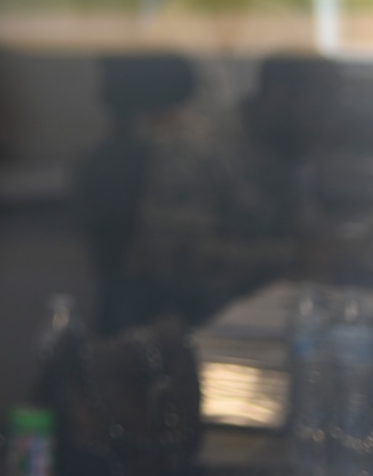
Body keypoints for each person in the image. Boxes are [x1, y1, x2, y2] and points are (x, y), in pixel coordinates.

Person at [124, 54, 343, 325]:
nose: (328, 128)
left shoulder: (289, 150)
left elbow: (309, 233)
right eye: (319, 112)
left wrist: (339, 250)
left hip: (272, 318)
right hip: (194, 329)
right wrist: (295, 256)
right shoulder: (197, 151)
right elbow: (181, 262)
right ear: (279, 97)